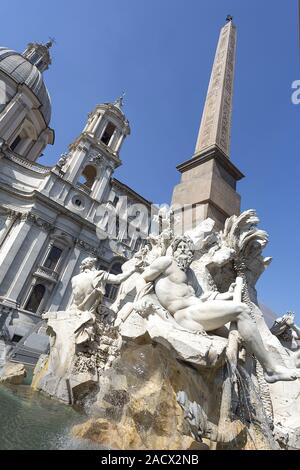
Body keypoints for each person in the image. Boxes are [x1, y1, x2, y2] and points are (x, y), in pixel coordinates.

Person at [142, 235, 300, 384]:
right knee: (241, 310)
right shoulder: (166, 262)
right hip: (185, 315)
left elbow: (203, 297)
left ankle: (238, 386)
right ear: (174, 249)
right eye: (181, 247)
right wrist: (141, 301)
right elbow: (143, 278)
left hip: (197, 311)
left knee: (243, 342)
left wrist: (228, 294)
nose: (184, 251)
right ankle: (271, 370)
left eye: (188, 249)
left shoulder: (189, 273)